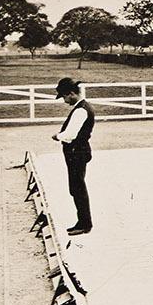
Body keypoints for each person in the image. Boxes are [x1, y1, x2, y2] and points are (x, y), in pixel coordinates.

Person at [52, 77, 95, 235]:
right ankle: (82, 221)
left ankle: (84, 223)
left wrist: (58, 136)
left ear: (71, 94)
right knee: (76, 187)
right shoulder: (83, 107)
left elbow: (70, 135)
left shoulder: (80, 110)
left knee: (78, 188)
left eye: (64, 97)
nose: (64, 101)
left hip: (77, 152)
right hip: (78, 152)